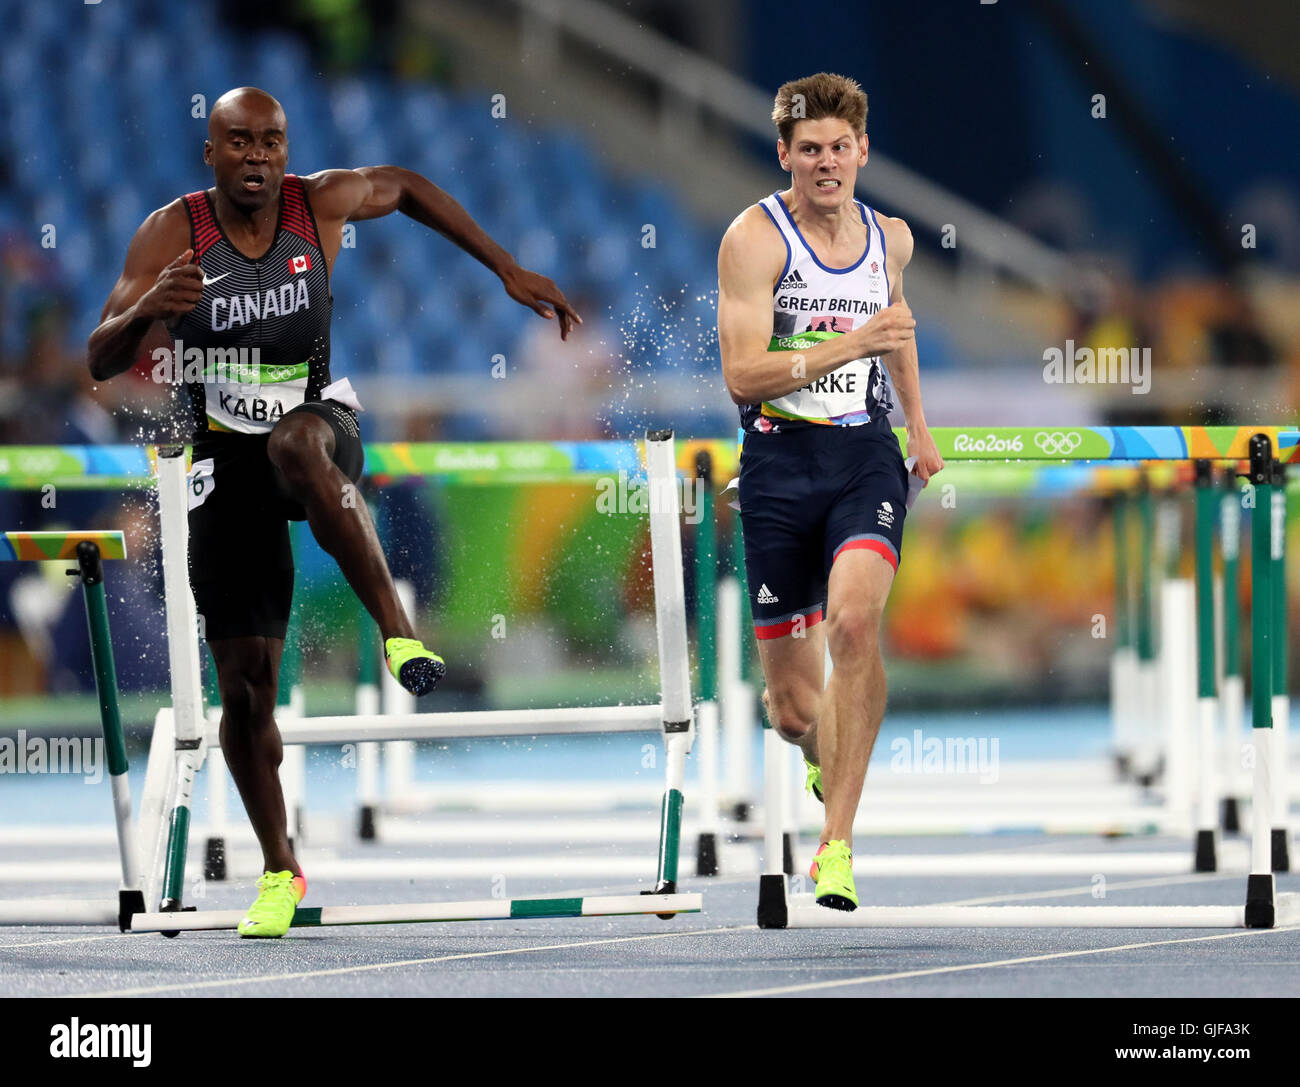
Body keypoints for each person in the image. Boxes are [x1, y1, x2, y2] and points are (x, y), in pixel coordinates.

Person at [87, 87, 580, 937]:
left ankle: (397, 632)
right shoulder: (172, 232)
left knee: (293, 446)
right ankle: (280, 869)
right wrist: (145, 314)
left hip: (320, 424)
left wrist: (503, 267)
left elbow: (410, 187)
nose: (256, 156)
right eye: (238, 142)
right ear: (211, 153)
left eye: (271, 141)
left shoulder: (320, 206)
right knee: (245, 691)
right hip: (219, 453)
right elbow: (97, 358)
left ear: (286, 148)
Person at [716, 72, 943, 910]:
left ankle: (836, 843)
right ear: (784, 154)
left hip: (861, 459)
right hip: (777, 464)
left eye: (839, 148)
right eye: (808, 149)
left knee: (854, 620)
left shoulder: (893, 239)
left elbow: (899, 331)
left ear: (863, 151)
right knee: (790, 710)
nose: (825, 163)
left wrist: (916, 425)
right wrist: (848, 344)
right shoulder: (754, 239)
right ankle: (821, 764)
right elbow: (743, 375)